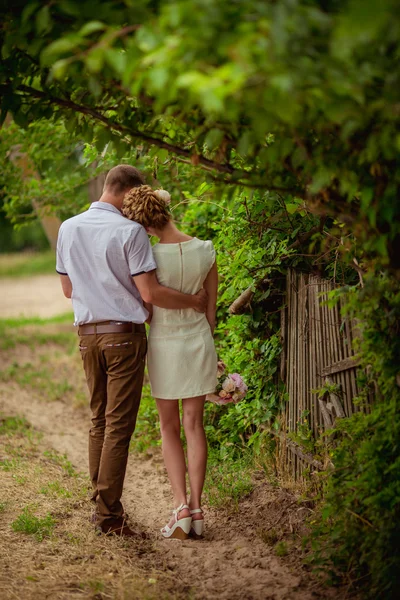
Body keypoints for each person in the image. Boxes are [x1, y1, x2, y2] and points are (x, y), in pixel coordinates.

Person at [56, 165, 208, 538]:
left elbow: (67, 290)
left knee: (98, 421)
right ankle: (108, 517)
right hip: (123, 335)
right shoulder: (130, 232)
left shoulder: (68, 227)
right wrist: (193, 300)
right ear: (129, 193)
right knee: (119, 426)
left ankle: (100, 503)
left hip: (87, 335)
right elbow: (150, 293)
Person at [122, 185, 218, 540]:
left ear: (144, 225)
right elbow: (211, 313)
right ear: (167, 209)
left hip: (164, 344)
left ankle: (178, 507)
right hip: (199, 342)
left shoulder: (147, 258)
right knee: (195, 425)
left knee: (169, 427)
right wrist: (211, 353)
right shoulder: (205, 250)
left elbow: (147, 310)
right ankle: (196, 507)